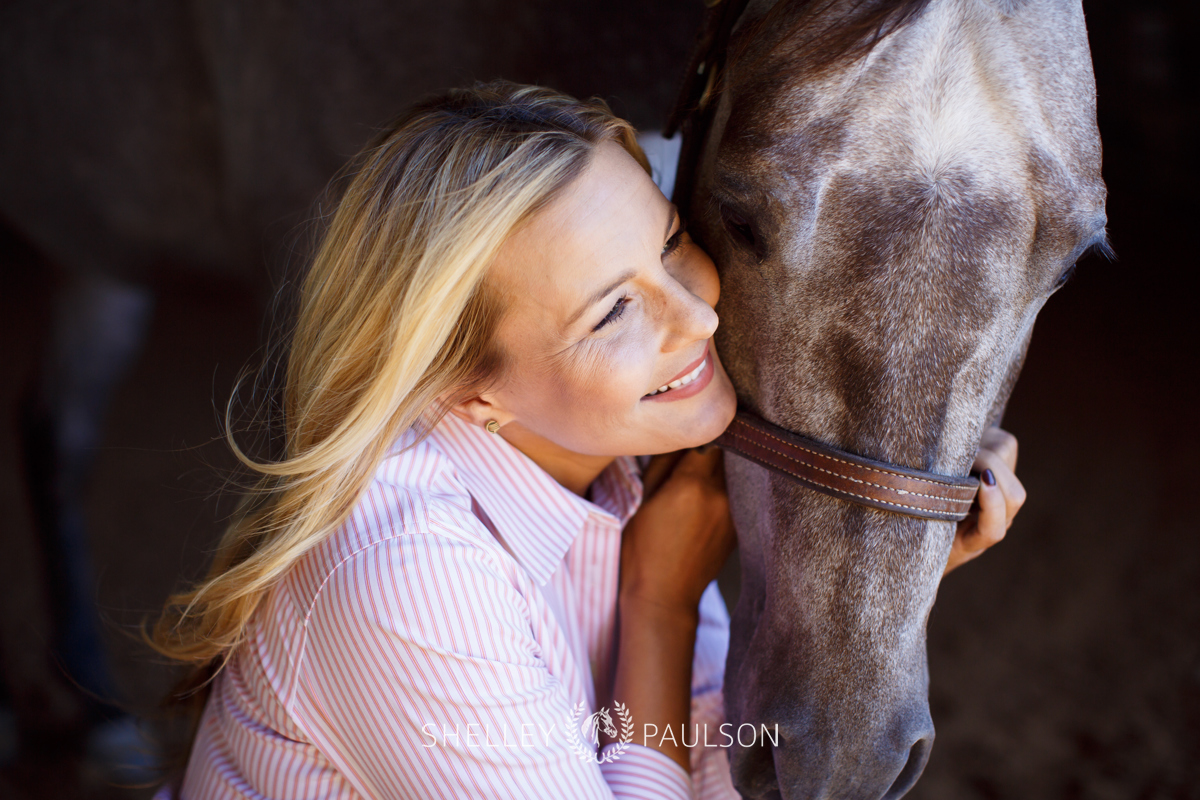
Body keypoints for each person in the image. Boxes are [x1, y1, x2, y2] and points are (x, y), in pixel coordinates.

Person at [150, 81, 1025, 799]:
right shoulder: (410, 573)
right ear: (468, 390)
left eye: (673, 244)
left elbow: (709, 777)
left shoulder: (617, 471)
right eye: (613, 311)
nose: (698, 313)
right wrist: (660, 606)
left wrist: (869, 569)